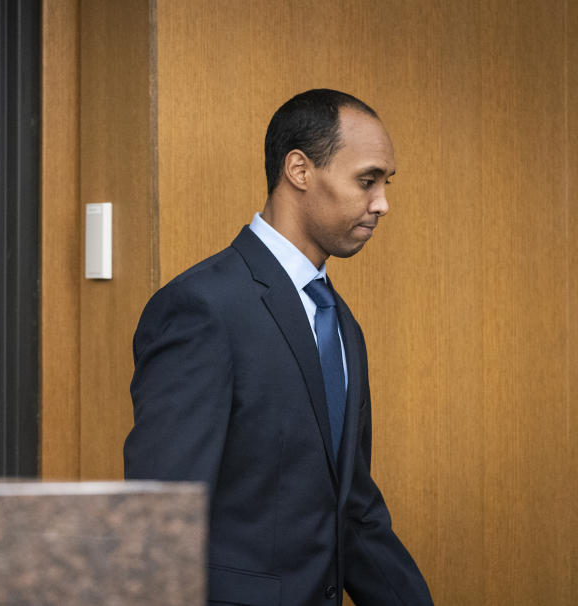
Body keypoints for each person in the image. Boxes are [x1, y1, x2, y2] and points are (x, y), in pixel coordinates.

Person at [124, 89, 434, 605]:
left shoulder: (340, 322)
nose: (383, 203)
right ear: (299, 169)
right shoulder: (201, 308)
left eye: (385, 183)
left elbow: (352, 509)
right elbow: (159, 521)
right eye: (367, 180)